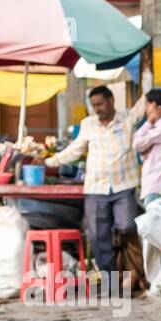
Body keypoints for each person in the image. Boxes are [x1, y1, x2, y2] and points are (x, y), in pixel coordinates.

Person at [45, 85, 145, 275]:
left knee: (127, 225)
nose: (97, 109)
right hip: (95, 187)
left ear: (111, 101)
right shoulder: (88, 124)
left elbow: (144, 101)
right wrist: (53, 161)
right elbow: (76, 149)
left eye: (100, 104)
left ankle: (128, 263)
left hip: (123, 185)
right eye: (94, 105)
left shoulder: (128, 120)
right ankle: (110, 278)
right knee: (98, 236)